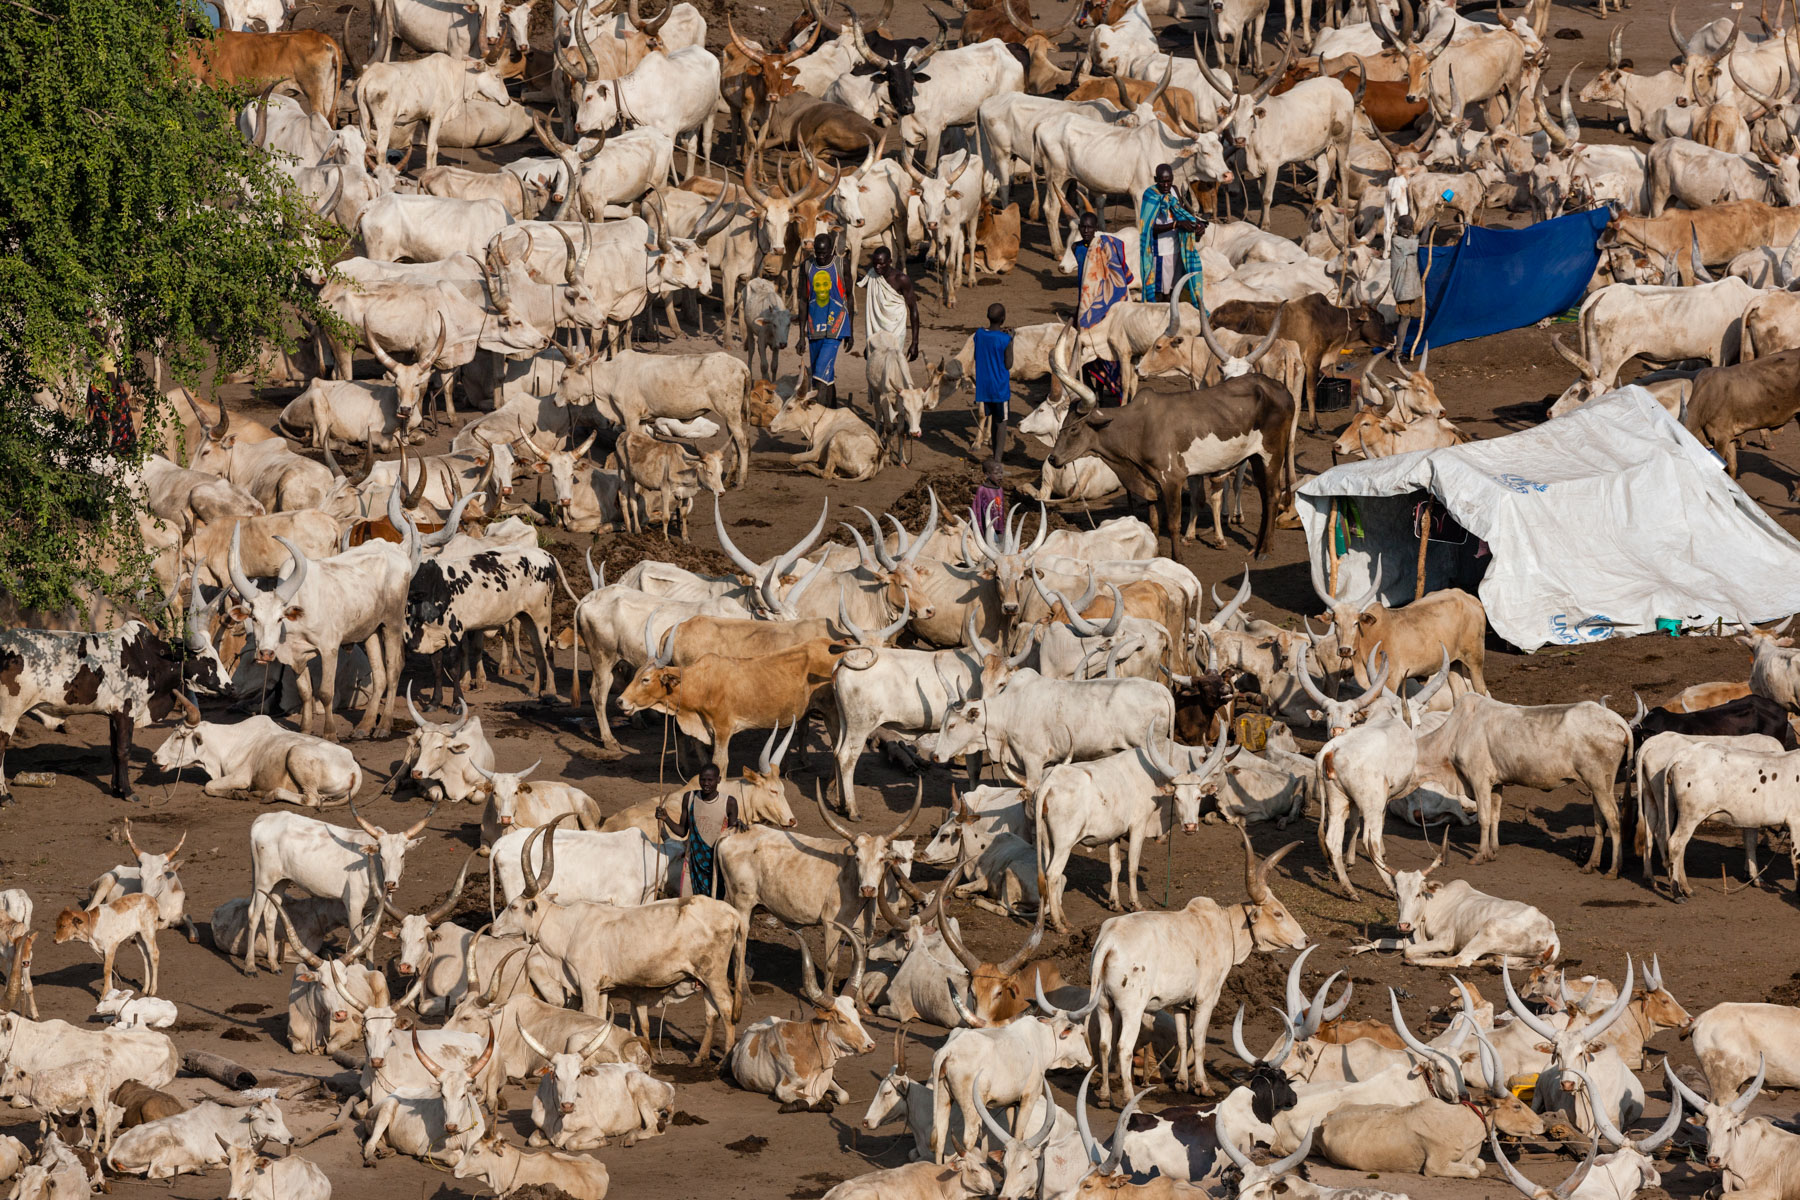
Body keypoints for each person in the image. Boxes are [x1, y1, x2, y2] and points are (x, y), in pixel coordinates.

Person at [656, 764, 744, 899]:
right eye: (703, 779)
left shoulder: (729, 803)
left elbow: (732, 837)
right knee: (689, 902)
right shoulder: (690, 798)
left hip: (716, 865)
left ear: (718, 780)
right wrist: (665, 818)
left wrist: (739, 825)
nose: (706, 783)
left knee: (715, 903)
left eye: (710, 780)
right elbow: (682, 831)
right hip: (692, 863)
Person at [1073, 210, 1132, 407]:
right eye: (1083, 227)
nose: (1086, 231)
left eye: (1090, 227)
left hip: (1103, 306)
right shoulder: (1076, 248)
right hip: (1084, 304)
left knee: (1104, 350)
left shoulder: (1105, 247)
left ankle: (1102, 390)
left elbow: (1116, 276)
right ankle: (1092, 390)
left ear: (1096, 228)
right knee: (1086, 350)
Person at [1138, 163, 1205, 307]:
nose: (1166, 185)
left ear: (1173, 179)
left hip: (1177, 250)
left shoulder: (1174, 191)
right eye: (1162, 181)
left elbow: (1182, 213)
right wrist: (1176, 225)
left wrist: (1198, 224)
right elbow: (1148, 229)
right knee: (1160, 294)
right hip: (1160, 253)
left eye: (1168, 181)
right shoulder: (1150, 196)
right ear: (1156, 179)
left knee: (1176, 290)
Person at [803, 231, 853, 408]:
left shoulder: (841, 264)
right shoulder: (807, 266)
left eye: (824, 253)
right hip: (814, 327)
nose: (821, 257)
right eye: (817, 253)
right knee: (826, 375)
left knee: (818, 374)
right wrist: (801, 335)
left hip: (836, 327)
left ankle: (818, 414)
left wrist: (850, 331)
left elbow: (849, 296)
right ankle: (833, 411)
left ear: (832, 250)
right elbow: (803, 300)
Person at [972, 302, 1014, 459]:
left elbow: (978, 354)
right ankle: (997, 459)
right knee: (1001, 423)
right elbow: (1008, 364)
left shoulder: (979, 334)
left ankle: (995, 455)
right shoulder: (1006, 339)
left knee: (993, 419)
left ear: (987, 317)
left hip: (984, 388)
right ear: (1003, 319)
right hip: (1000, 389)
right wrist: (1011, 340)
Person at [974, 458, 1005, 541]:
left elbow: (1001, 509)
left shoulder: (1000, 489)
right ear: (987, 474)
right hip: (987, 527)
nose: (1000, 475)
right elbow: (977, 509)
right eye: (996, 473)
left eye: (1001, 473)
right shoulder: (982, 489)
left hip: (999, 526)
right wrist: (980, 528)